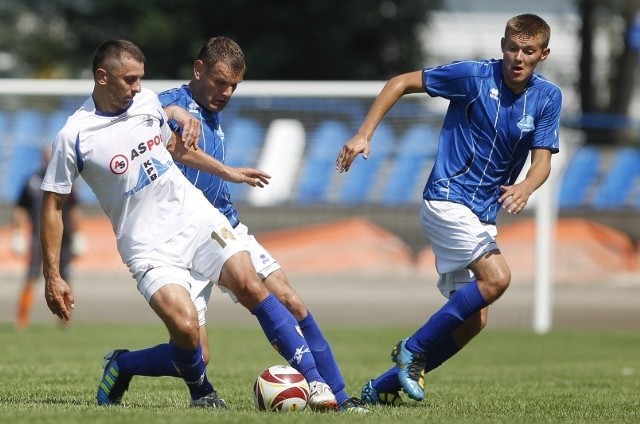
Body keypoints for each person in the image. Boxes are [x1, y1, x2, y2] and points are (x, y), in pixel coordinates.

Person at [41, 39, 338, 411]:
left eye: (140, 79)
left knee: (250, 283)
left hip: (195, 219)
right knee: (187, 334)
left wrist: (227, 172)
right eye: (130, 80)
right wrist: (52, 274)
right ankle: (135, 368)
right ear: (102, 77)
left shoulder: (147, 103)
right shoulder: (75, 135)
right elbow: (52, 205)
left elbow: (177, 149)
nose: (137, 87)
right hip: (147, 247)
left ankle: (317, 384)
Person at [335, 14, 561, 405]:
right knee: (498, 279)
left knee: (475, 320)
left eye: (528, 50)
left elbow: (542, 161)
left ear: (543, 54)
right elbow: (401, 82)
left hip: (482, 215)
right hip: (447, 199)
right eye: (512, 47)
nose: (518, 57)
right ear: (502, 45)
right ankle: (412, 349)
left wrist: (526, 185)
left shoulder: (547, 97)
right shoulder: (472, 77)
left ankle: (380, 389)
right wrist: (363, 133)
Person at [158, 36, 368, 414]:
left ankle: (335, 393)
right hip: (181, 239)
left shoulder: (211, 110)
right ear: (198, 70)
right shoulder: (170, 104)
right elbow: (156, 116)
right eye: (220, 82)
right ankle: (122, 365)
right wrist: (176, 112)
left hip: (225, 226)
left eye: (234, 86)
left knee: (291, 300)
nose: (227, 92)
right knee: (196, 354)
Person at [11, 146, 82, 329]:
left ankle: (64, 320)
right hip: (37, 237)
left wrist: (78, 234)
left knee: (65, 277)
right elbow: (20, 208)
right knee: (31, 277)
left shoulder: (66, 180)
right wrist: (18, 233)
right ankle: (22, 319)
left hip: (63, 239)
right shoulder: (31, 181)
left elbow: (74, 210)